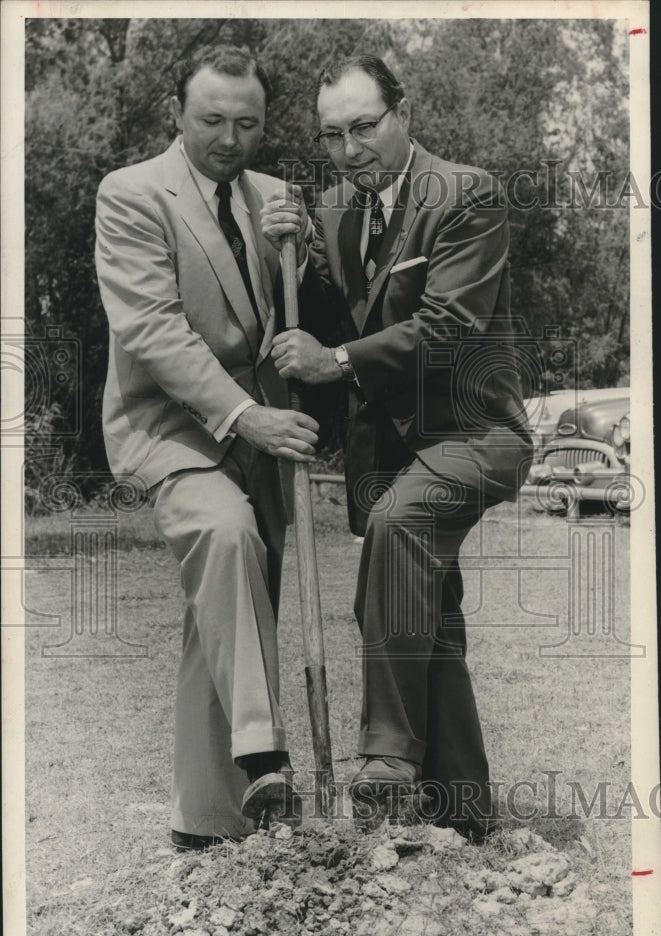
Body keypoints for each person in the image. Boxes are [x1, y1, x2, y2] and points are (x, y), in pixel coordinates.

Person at [261, 55, 534, 838]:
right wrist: (290, 250)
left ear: (403, 113)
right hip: (389, 450)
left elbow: (445, 326)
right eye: (332, 136)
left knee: (399, 527)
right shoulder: (337, 207)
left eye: (364, 127)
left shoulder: (464, 193)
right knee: (420, 618)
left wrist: (334, 361)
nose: (349, 152)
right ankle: (462, 811)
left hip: (475, 435)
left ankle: (386, 759)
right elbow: (330, 312)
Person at [95, 47, 318, 849]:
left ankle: (206, 819)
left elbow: (288, 314)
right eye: (211, 119)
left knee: (225, 610)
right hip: (171, 425)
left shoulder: (275, 199)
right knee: (224, 536)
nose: (229, 137)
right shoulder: (130, 194)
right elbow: (153, 330)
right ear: (177, 113)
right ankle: (263, 751)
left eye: (246, 122)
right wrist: (243, 416)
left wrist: (298, 249)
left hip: (263, 430)